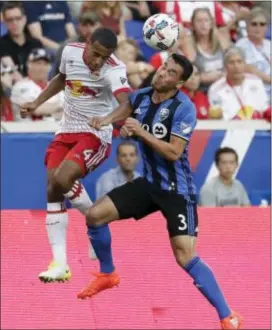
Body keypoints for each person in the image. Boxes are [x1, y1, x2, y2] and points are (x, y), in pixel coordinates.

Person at [78, 54, 242, 330]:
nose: (162, 73)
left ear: (179, 82)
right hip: (149, 185)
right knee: (95, 215)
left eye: (170, 72)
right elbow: (127, 107)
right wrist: (106, 119)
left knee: (185, 258)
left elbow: (174, 151)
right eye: (164, 67)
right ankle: (108, 274)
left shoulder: (183, 108)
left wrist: (141, 133)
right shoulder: (143, 95)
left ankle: (228, 315)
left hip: (178, 191)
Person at [20, 28, 131, 283]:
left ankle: (95, 223)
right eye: (95, 54)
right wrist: (37, 103)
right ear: (87, 43)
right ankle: (60, 262)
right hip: (67, 129)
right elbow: (62, 78)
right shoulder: (70, 51)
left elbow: (126, 104)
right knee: (52, 187)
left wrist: (106, 119)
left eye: (104, 58)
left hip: (95, 135)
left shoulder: (114, 69)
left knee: (62, 179)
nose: (97, 62)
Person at [88, 140, 140, 259]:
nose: (128, 159)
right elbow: (104, 211)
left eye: (131, 155)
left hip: (135, 233)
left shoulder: (140, 179)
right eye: (124, 155)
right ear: (117, 159)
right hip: (112, 230)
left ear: (137, 158)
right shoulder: (107, 179)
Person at [208, 46, 269, 120]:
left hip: (257, 128)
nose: (236, 66)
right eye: (231, 62)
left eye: (239, 61)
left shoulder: (256, 81)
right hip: (229, 129)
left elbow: (265, 108)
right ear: (225, 66)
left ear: (244, 64)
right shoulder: (215, 89)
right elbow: (216, 118)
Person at [11, 48, 64, 121]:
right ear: (29, 65)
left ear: (50, 67)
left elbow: (67, 112)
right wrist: (59, 106)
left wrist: (50, 109)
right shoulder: (20, 86)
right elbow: (36, 110)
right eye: (38, 63)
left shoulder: (55, 86)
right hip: (28, 130)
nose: (42, 67)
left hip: (54, 129)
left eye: (45, 64)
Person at [236, 7, 271, 100]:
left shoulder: (269, 45)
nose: (258, 28)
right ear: (247, 26)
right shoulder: (240, 46)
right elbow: (248, 69)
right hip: (251, 93)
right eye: (254, 24)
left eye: (262, 24)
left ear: (267, 27)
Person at [0, 2, 42, 77]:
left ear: (24, 19)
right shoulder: (1, 44)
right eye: (10, 20)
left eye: (18, 18)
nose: (15, 23)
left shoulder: (36, 43)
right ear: (4, 22)